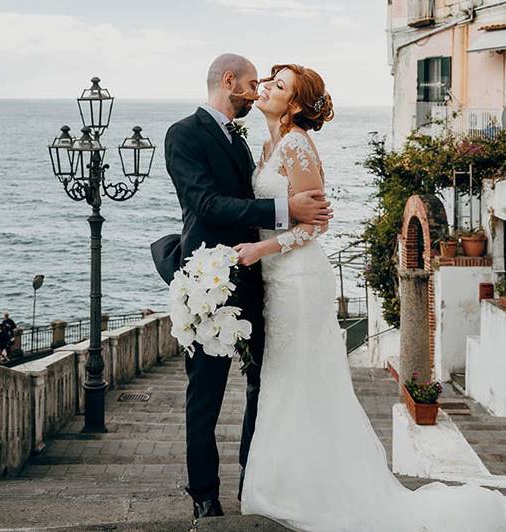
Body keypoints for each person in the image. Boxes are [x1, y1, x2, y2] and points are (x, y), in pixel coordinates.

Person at [232, 64, 506, 531]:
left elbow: (316, 225)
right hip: (276, 281)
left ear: (294, 105)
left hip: (298, 279)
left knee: (302, 379)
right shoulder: (268, 146)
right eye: (270, 80)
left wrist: (260, 248)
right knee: (284, 379)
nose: (268, 87)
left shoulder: (296, 145)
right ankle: (287, 481)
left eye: (280, 85)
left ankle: (311, 489)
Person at [150, 53, 333, 519]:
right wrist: (284, 212)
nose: (258, 91)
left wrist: (279, 230)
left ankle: (255, 476)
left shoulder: (250, 138)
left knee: (263, 386)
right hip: (209, 283)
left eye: (267, 85)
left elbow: (270, 200)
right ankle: (205, 496)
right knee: (205, 393)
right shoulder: (184, 134)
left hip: (260, 283)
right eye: (252, 84)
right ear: (228, 81)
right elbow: (207, 204)